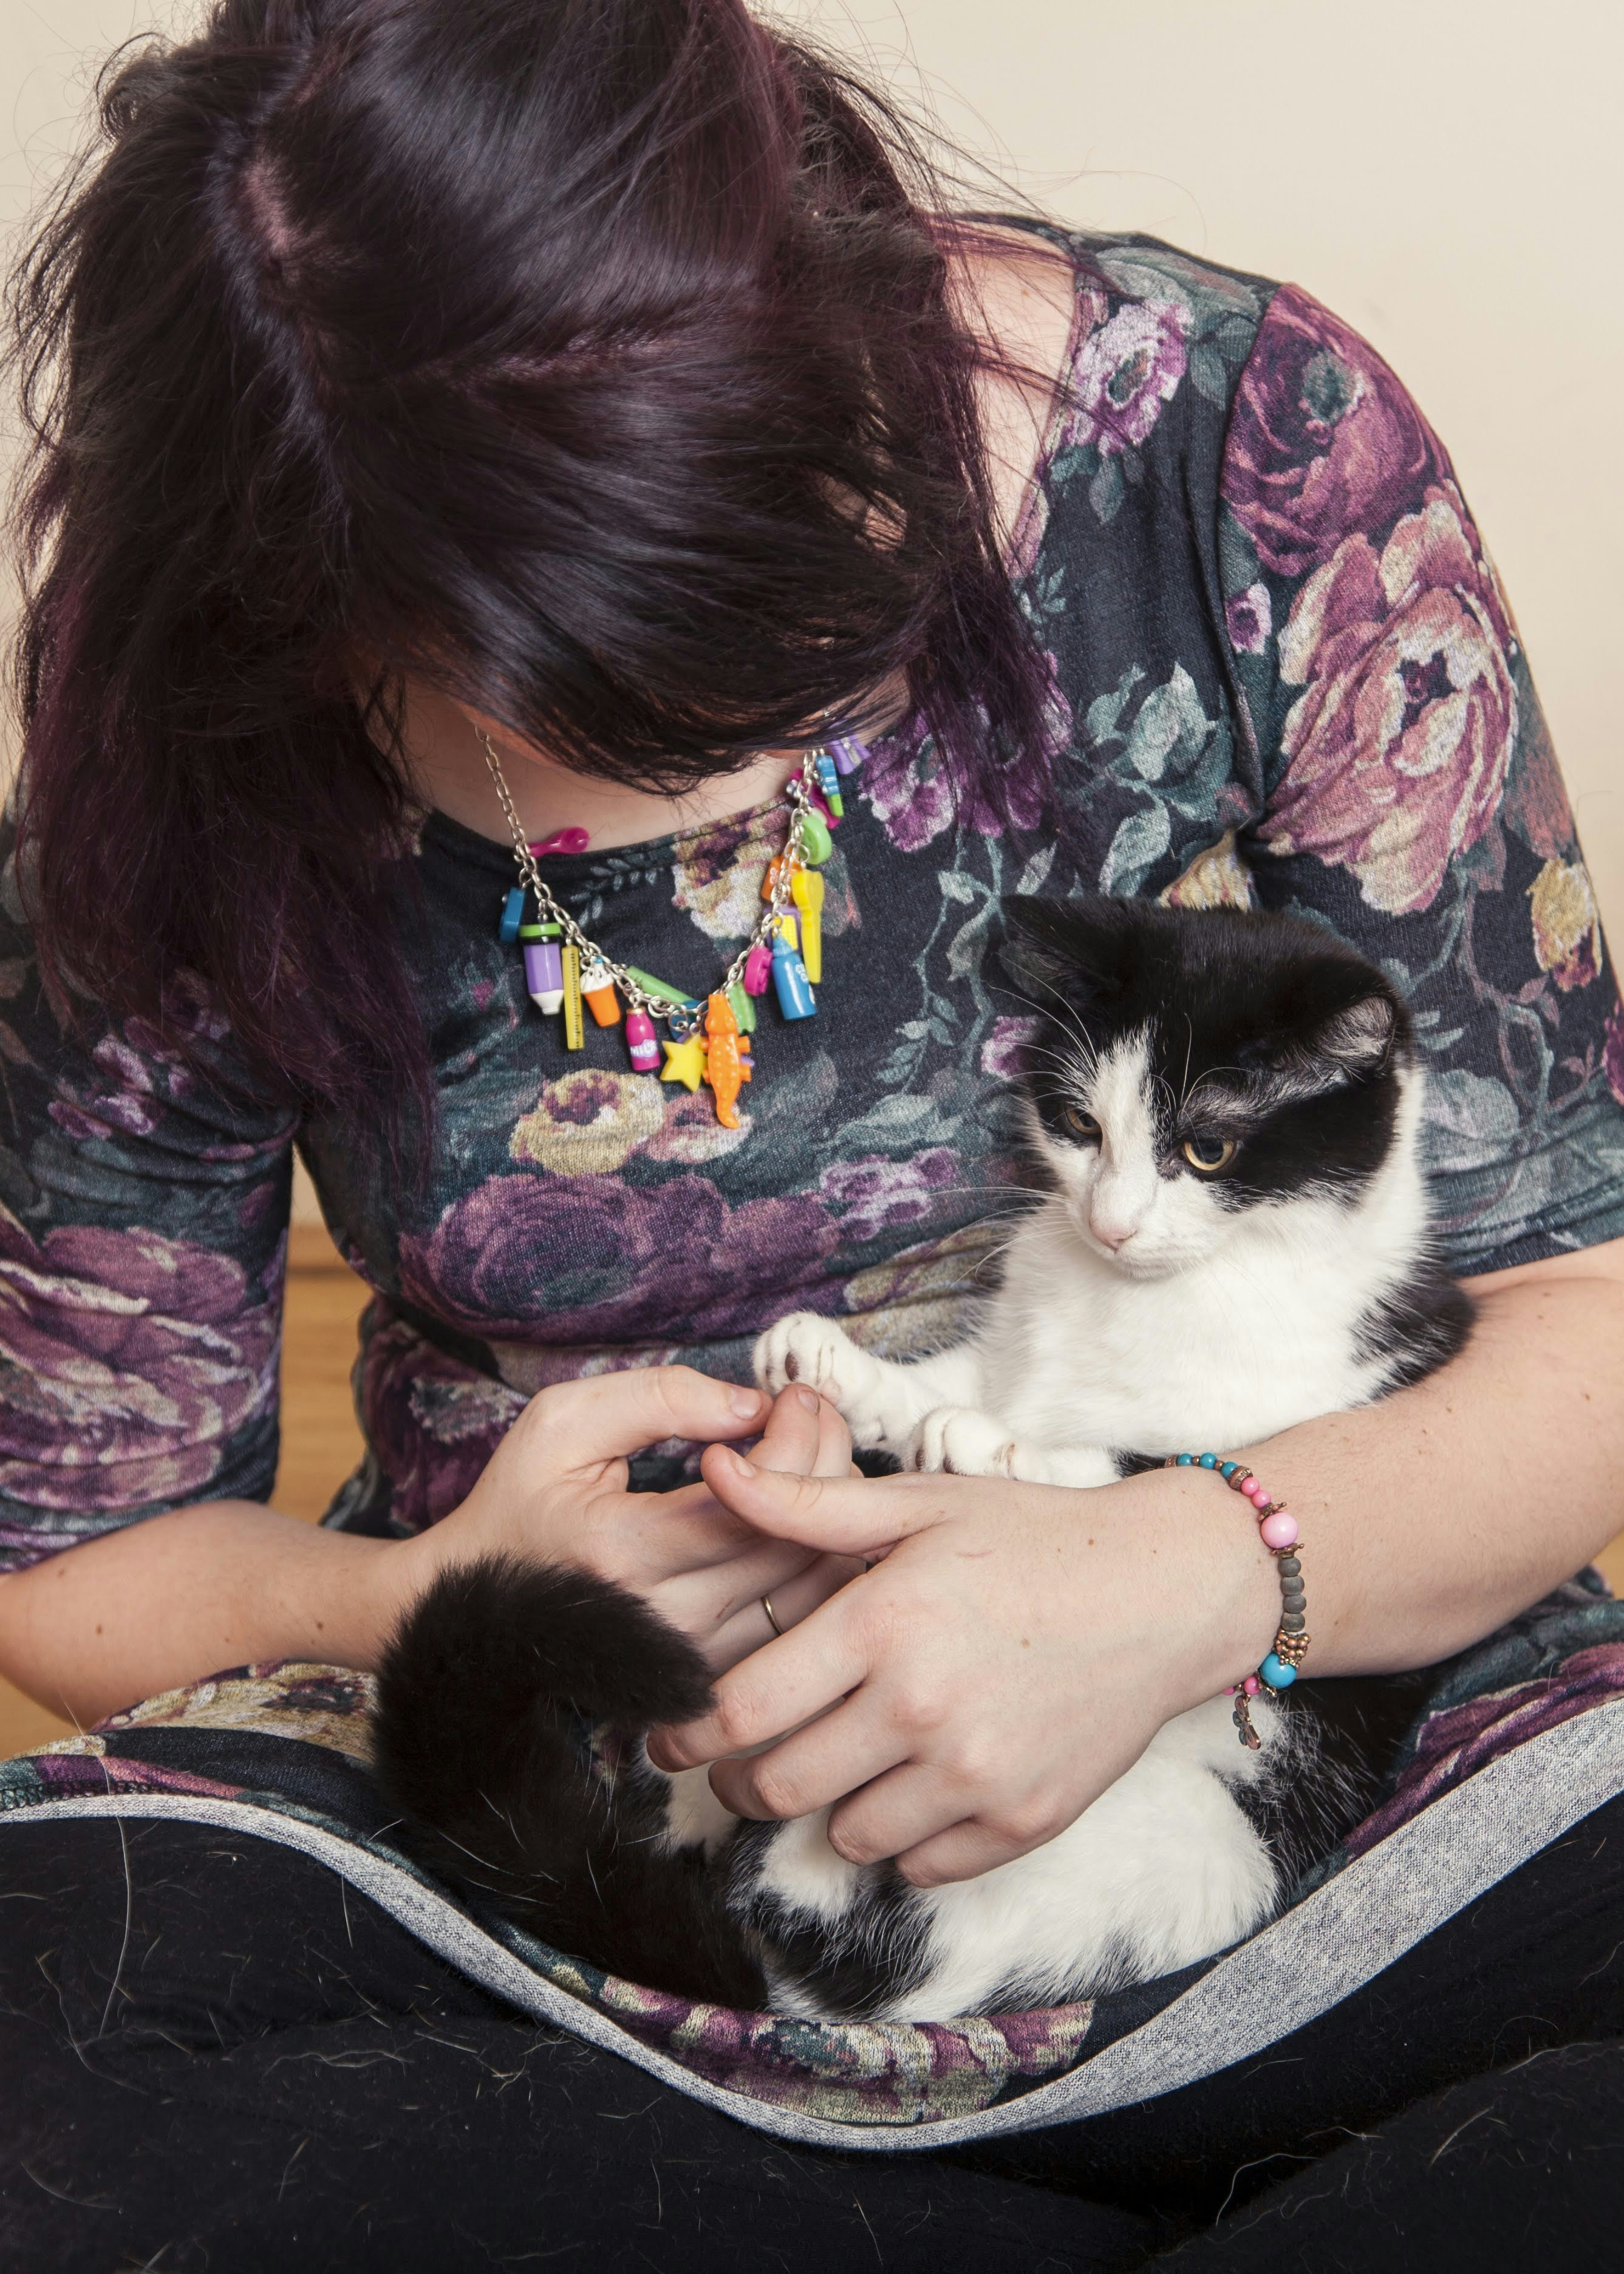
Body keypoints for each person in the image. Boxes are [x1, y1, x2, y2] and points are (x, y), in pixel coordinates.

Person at [1, 3, 1621, 2265]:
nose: (730, 766)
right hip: (616, 1773)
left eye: (792, 613)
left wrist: (1197, 1582)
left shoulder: (1237, 439)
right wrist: (426, 1599)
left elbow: (1584, 1311)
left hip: (1303, 1677)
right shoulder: (190, 685)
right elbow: (78, 1545)